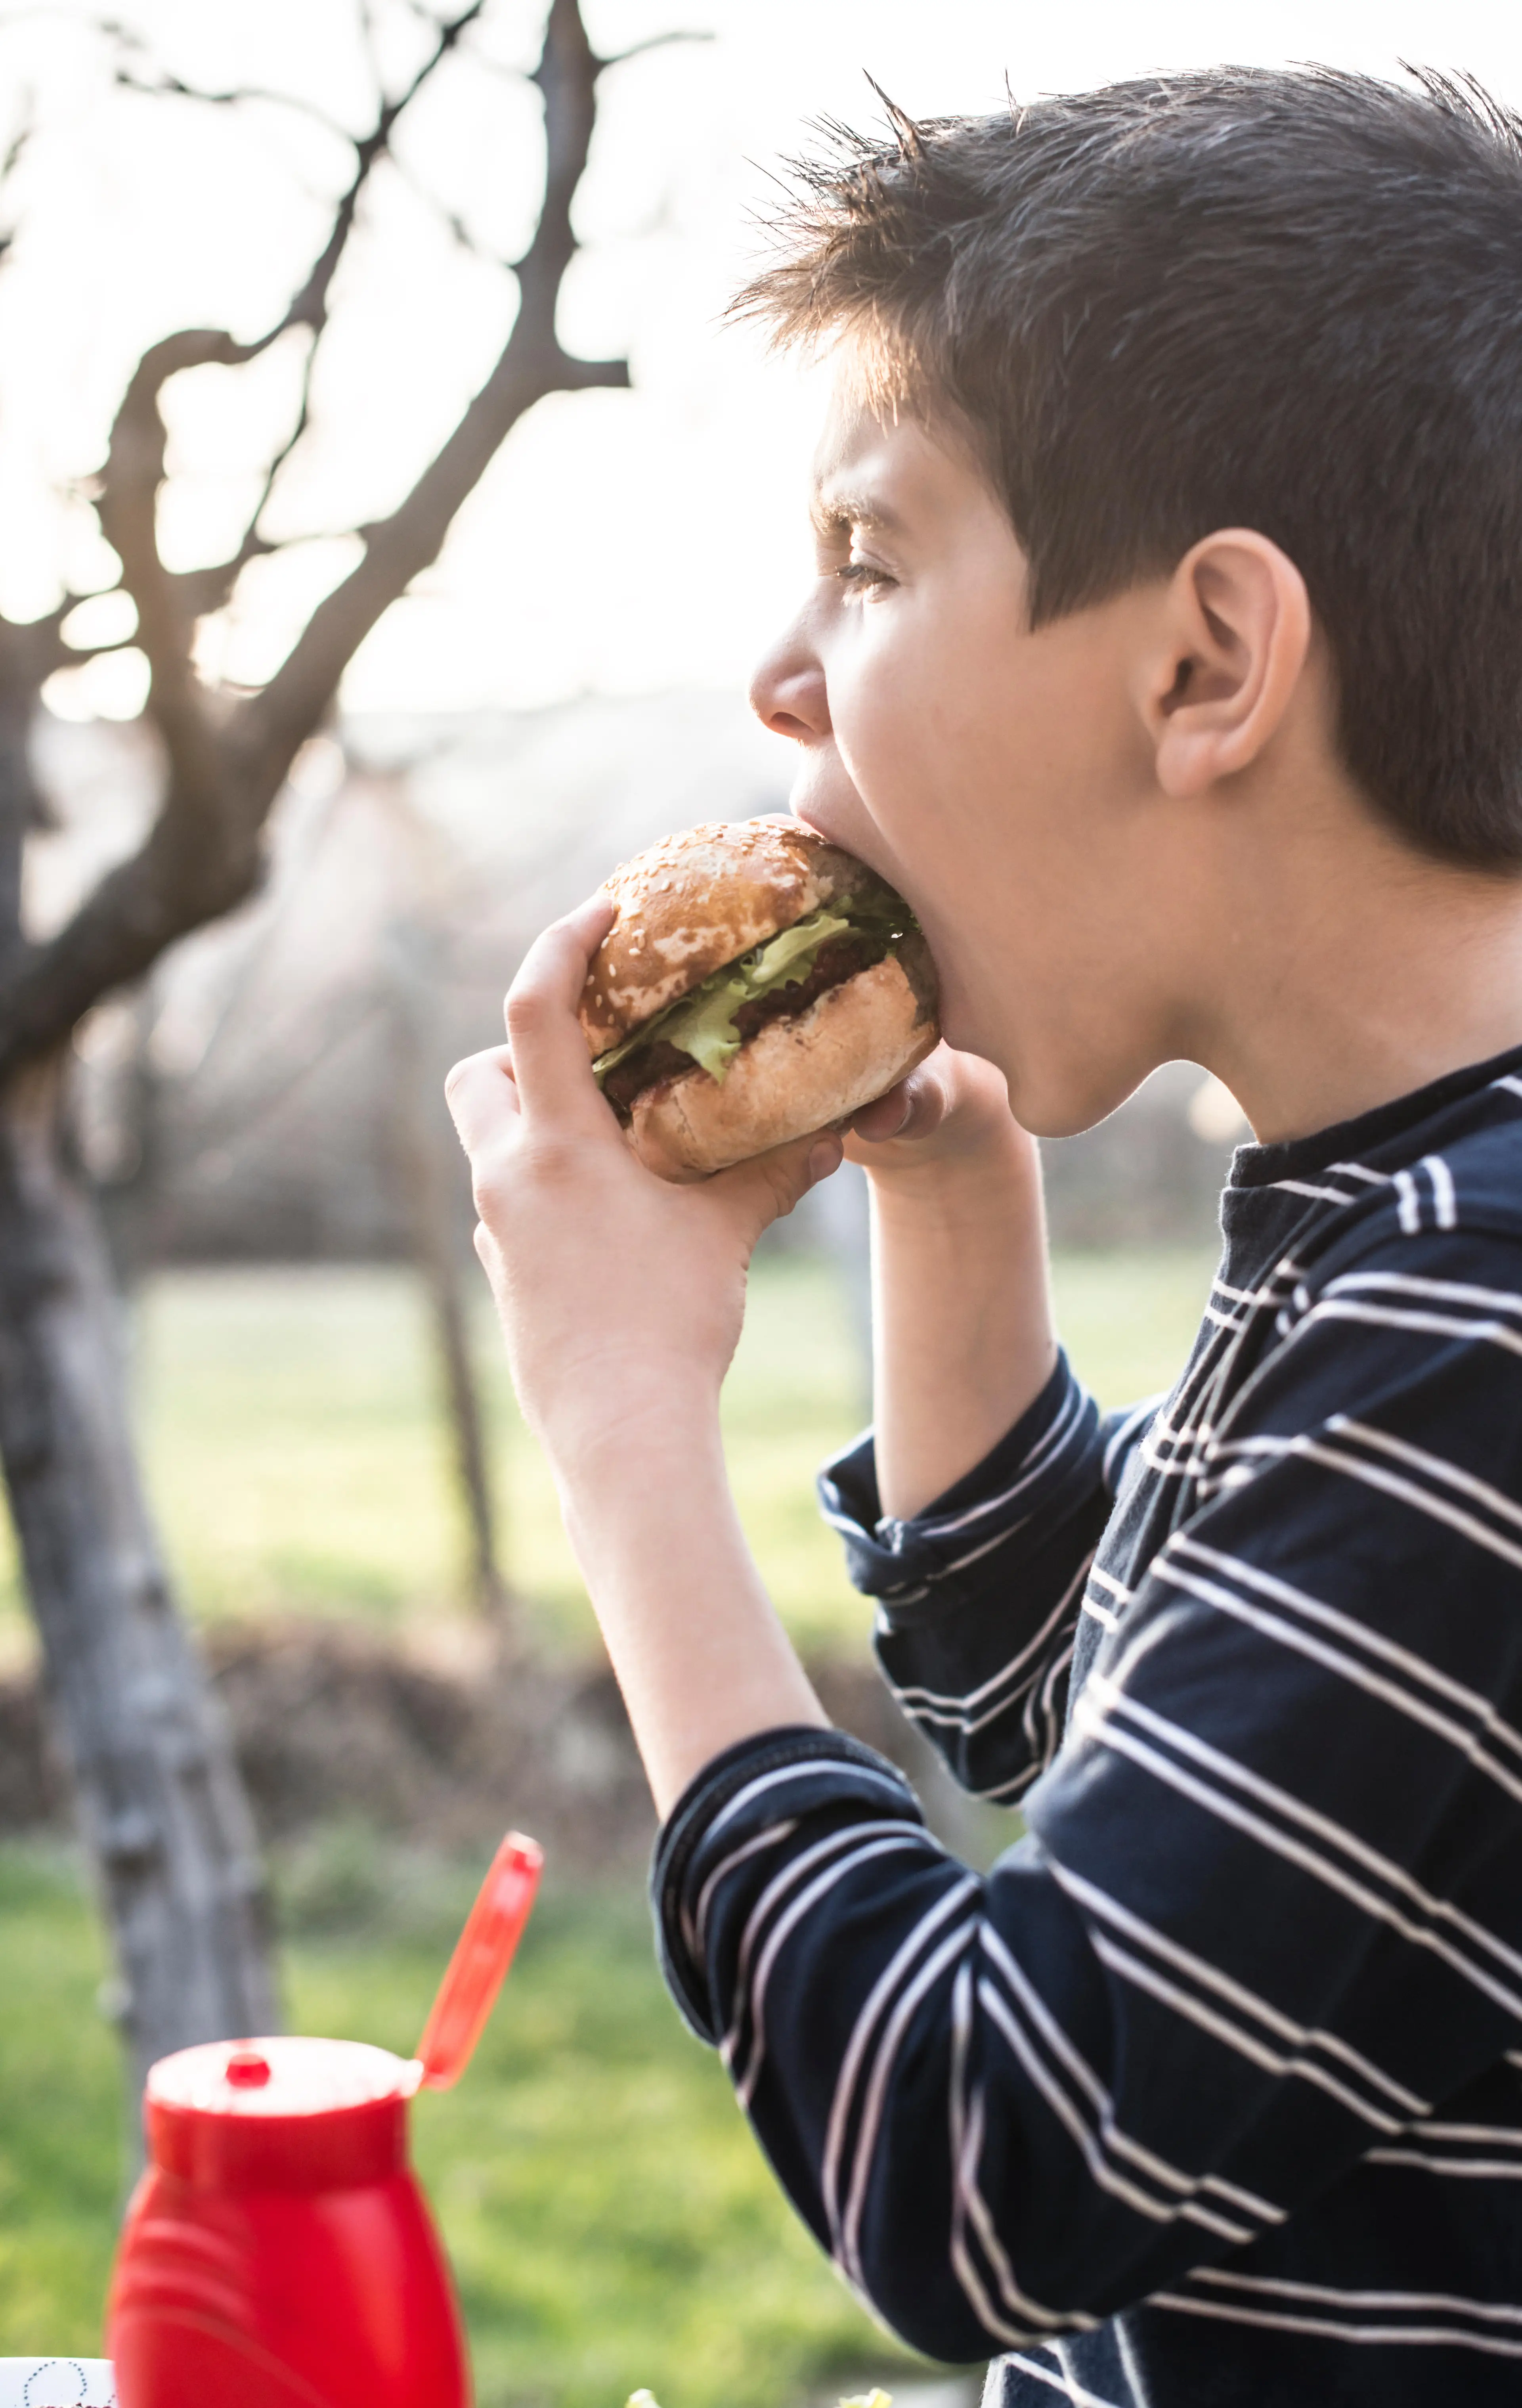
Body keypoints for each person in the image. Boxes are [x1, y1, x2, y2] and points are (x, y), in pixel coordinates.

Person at [446, 65, 1522, 2407]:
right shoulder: (1410, 1221)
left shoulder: (1474, 1321)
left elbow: (982, 2154)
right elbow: (1091, 1709)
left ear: (1206, 665)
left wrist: (625, 1429)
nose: (781, 675)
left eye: (869, 557)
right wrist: (952, 1192)